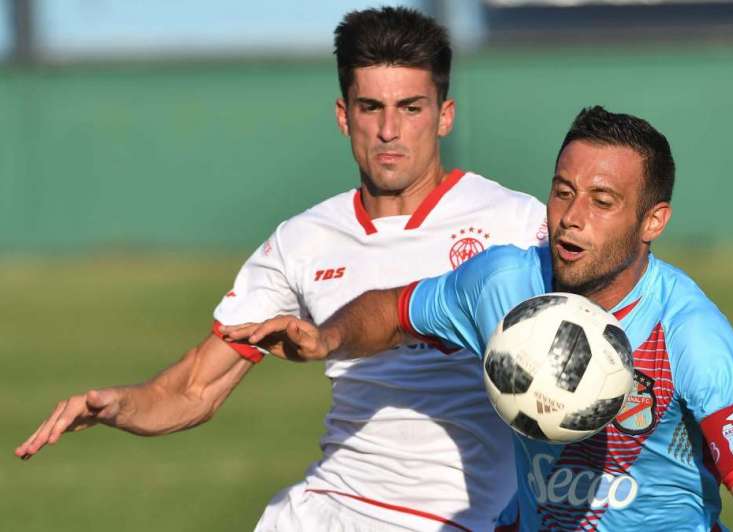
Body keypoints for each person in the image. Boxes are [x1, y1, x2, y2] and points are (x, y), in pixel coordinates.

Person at [15, 7, 548, 531]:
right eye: (370, 108)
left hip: (461, 516)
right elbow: (198, 387)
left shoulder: (515, 223)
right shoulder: (303, 240)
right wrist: (122, 407)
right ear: (344, 116)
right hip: (327, 508)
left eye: (410, 108)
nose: (389, 130)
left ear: (445, 115)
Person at [223, 106, 733, 531]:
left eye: (603, 203)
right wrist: (328, 337)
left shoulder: (688, 329)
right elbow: (392, 308)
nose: (571, 219)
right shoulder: (503, 281)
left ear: (653, 221)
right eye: (563, 192)